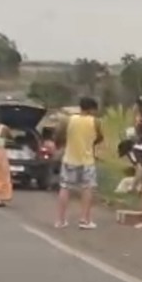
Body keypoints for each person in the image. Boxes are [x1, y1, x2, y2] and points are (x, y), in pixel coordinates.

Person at [54, 97, 104, 229]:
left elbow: (58, 136)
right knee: (87, 189)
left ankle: (60, 220)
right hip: (87, 160)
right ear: (92, 109)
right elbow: (100, 137)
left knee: (64, 188)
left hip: (69, 158)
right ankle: (85, 220)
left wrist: (63, 144)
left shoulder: (69, 120)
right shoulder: (96, 122)